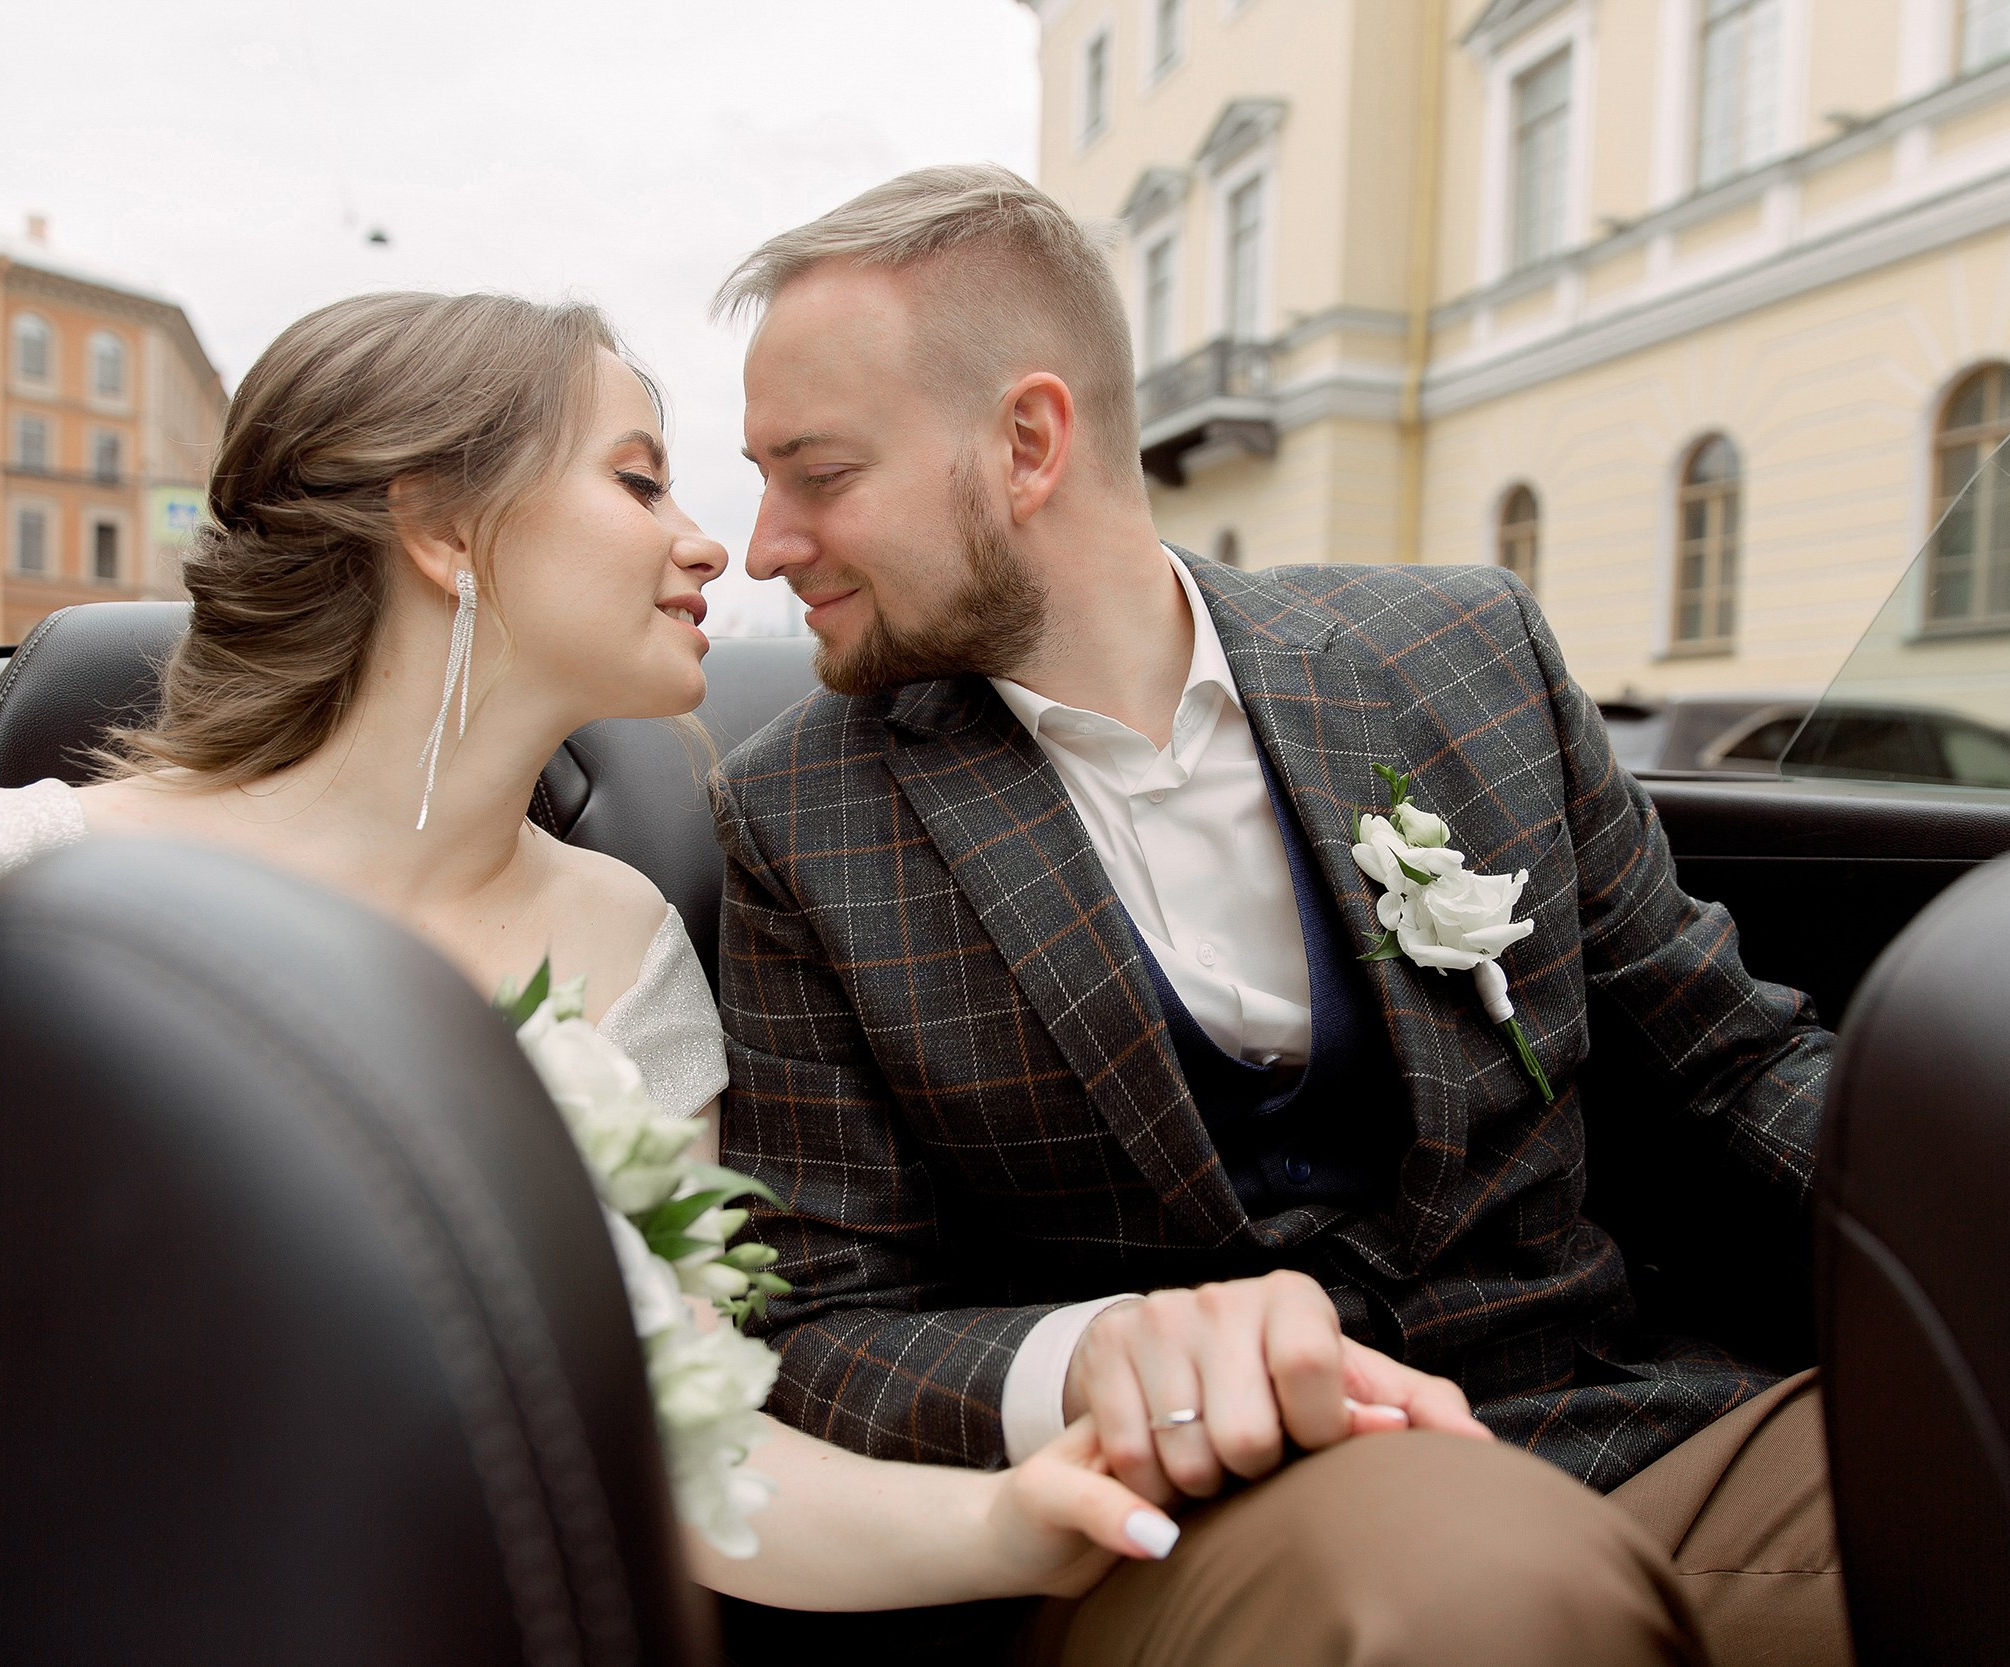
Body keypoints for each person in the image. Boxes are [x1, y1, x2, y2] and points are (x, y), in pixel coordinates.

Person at [0, 288, 1420, 1615]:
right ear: (445, 531)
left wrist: (1002, 1527)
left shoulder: (628, 942)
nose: (714, 545)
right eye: (642, 482)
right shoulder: (16, 881)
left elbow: (685, 1447)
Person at [709, 165, 1851, 1667]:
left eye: (819, 473)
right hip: (1235, 1515)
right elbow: (822, 1328)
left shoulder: (1463, 651)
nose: (763, 543)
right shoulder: (799, 816)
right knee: (1475, 1603)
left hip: (1641, 1427)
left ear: (1028, 441)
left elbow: (1727, 1069)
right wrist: (1103, 1359)